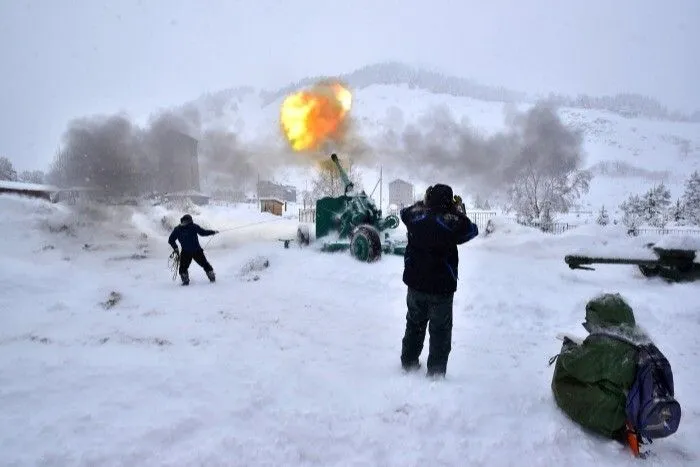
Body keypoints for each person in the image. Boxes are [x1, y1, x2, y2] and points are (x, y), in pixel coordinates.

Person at [550, 293, 681, 457]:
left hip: (616, 418)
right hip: (638, 405)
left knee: (564, 380)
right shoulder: (641, 340)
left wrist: (567, 348)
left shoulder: (608, 345)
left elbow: (575, 365)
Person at [399, 184, 479, 378]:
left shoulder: (415, 216)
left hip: (415, 284)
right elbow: (471, 230)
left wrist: (425, 202)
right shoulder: (451, 221)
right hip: (441, 288)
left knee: (414, 325)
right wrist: (457, 209)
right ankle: (435, 372)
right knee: (440, 332)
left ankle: (408, 363)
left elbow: (404, 212)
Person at [168, 214, 218, 285]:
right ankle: (211, 277)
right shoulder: (185, 228)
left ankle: (186, 281)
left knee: (185, 267)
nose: (187, 223)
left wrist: (212, 232)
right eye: (187, 221)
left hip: (192, 251)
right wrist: (175, 248)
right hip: (192, 251)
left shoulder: (187, 227)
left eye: (188, 221)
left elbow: (203, 232)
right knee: (202, 265)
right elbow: (171, 240)